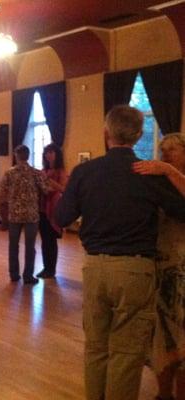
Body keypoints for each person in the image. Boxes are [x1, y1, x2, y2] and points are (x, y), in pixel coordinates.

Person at [55, 105, 185, 400]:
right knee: (127, 353)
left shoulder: (85, 171)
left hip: (95, 268)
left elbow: (62, 217)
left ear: (106, 133)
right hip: (136, 270)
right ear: (139, 135)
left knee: (96, 347)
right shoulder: (148, 174)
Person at [133, 133, 185, 400]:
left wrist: (168, 170)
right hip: (161, 263)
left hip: (182, 264)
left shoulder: (172, 177)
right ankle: (163, 394)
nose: (165, 155)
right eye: (163, 151)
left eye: (171, 151)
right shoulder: (159, 183)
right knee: (162, 334)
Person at [0, 145, 48, 285]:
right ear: (28, 155)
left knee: (13, 246)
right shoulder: (35, 173)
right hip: (31, 215)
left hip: (14, 215)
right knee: (30, 246)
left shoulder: (9, 173)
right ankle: (28, 275)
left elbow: (2, 194)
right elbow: (45, 190)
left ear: (16, 155)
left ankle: (14, 274)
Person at [36, 143, 68, 279]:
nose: (48, 155)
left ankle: (51, 269)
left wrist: (49, 181)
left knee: (51, 241)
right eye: (46, 153)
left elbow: (64, 189)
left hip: (54, 209)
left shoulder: (61, 171)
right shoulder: (43, 171)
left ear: (57, 154)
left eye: (51, 152)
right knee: (44, 240)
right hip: (42, 208)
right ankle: (46, 267)